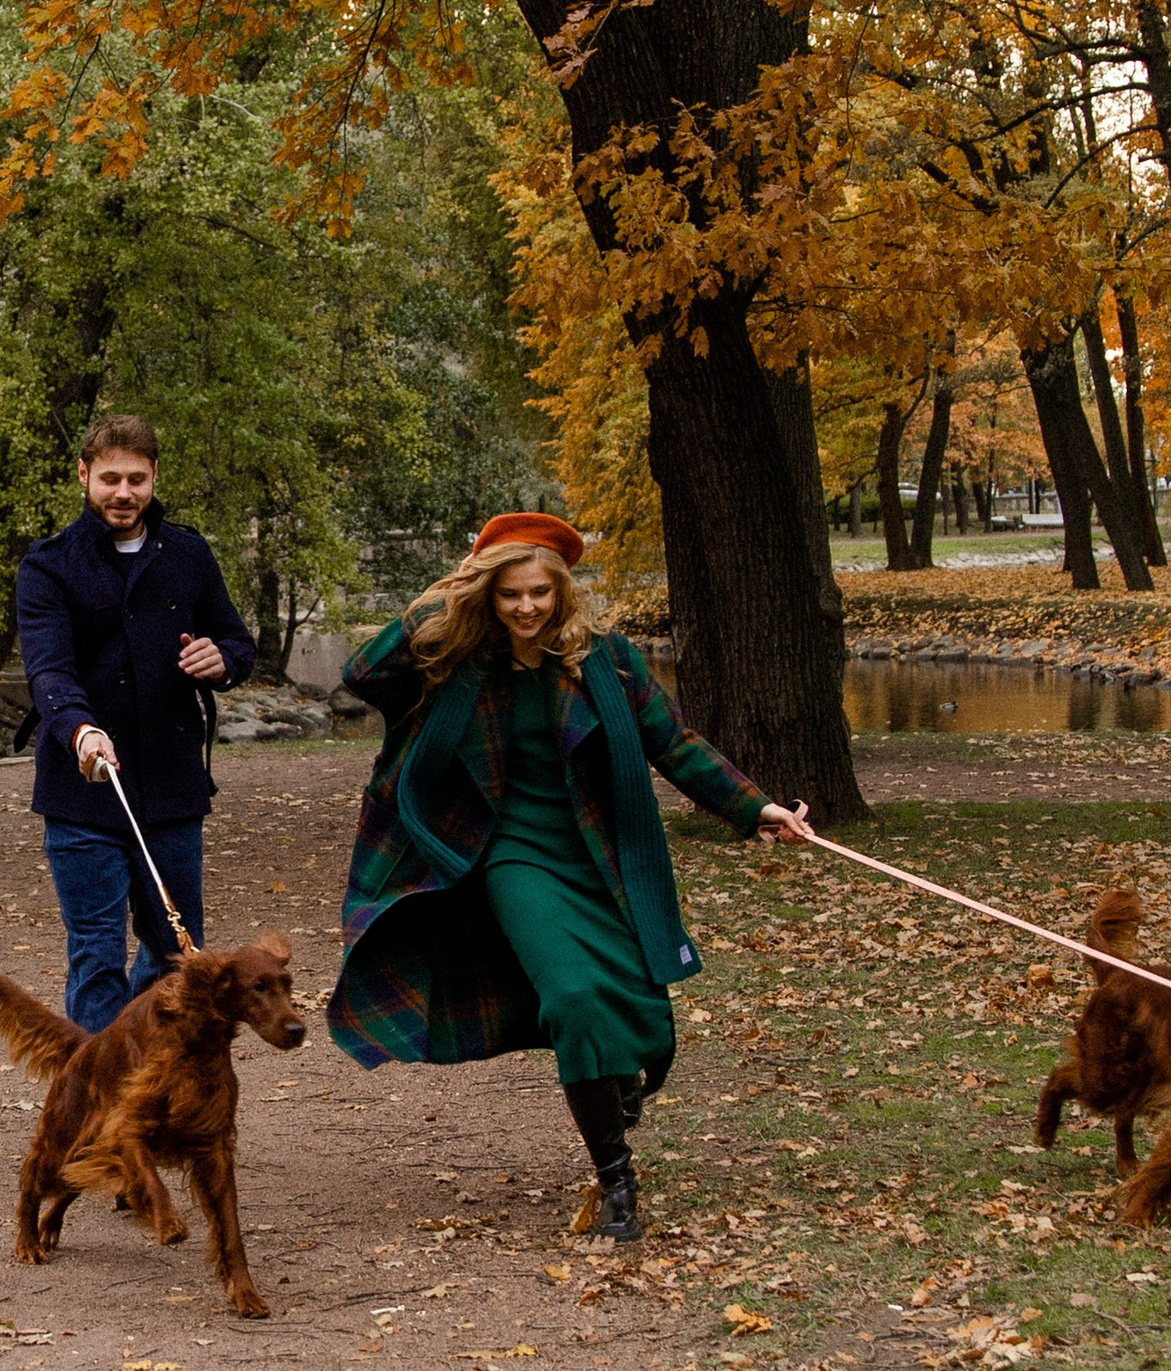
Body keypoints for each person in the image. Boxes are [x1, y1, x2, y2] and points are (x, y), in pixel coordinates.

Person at [324, 510, 813, 1240]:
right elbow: (362, 671)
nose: (526, 608)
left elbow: (674, 745)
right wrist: (443, 593)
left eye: (539, 594)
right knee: (576, 997)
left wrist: (754, 806)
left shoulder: (607, 663)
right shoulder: (456, 662)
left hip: (600, 853)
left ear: (562, 592)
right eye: (509, 594)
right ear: (488, 595)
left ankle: (618, 1080)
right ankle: (617, 1179)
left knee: (639, 1013)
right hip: (511, 855)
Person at [14, 413, 258, 1029]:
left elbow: (237, 641)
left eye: (136, 479)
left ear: (154, 479)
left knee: (176, 957)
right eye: (109, 478)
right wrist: (79, 730)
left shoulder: (188, 553)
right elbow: (49, 671)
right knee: (95, 954)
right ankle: (100, 1099)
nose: (123, 493)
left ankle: (159, 1086)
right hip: (82, 795)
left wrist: (222, 658)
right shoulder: (47, 566)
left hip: (173, 789)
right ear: (83, 476)